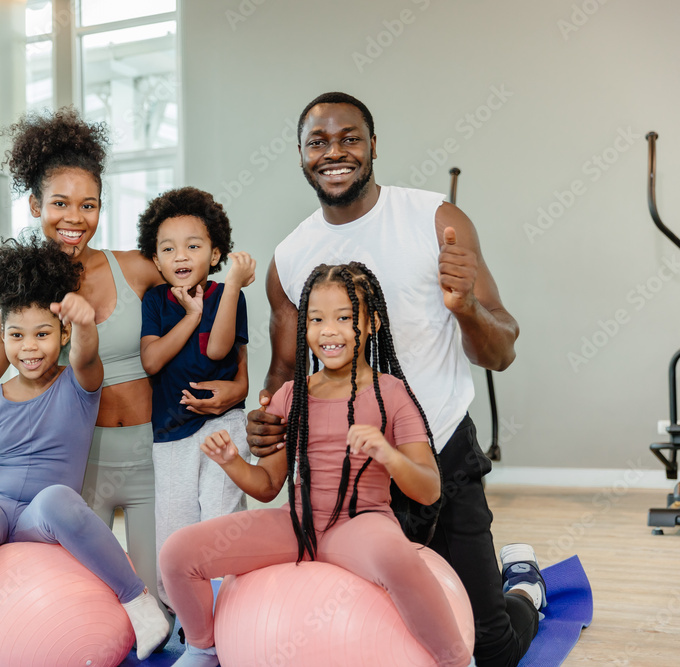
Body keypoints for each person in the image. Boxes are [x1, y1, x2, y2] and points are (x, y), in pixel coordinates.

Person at [0, 107, 247, 627]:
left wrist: (238, 385)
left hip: (151, 451)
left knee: (163, 592)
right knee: (87, 606)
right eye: (60, 203)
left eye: (88, 205)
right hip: (80, 466)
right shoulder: (26, 294)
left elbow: (212, 305)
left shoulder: (135, 266)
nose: (75, 217)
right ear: (34, 205)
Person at [247, 92, 544, 667]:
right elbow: (285, 370)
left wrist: (465, 309)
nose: (334, 152)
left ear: (373, 145)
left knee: (490, 651)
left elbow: (501, 351)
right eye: (318, 141)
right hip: (347, 480)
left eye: (349, 137)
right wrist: (266, 419)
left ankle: (524, 587)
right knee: (369, 633)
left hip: (439, 458)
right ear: (302, 155)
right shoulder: (291, 256)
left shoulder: (437, 220)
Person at [161, 263, 472, 667]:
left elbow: (429, 489)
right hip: (298, 525)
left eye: (344, 318)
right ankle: (203, 647)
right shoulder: (292, 394)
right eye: (316, 319)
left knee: (399, 559)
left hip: (360, 524)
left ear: (372, 322)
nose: (329, 330)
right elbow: (268, 484)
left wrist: (388, 453)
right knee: (178, 554)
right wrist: (233, 463)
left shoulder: (392, 394)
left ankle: (459, 662)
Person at [0, 237, 169, 667]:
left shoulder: (79, 386)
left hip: (42, 517)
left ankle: (140, 604)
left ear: (61, 334)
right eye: (16, 335)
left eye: (43, 334)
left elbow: (86, 357)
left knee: (58, 499)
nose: (29, 347)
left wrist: (84, 324)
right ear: (2, 336)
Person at [136, 187, 255, 606]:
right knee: (175, 525)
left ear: (216, 253)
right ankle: (186, 614)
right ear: (156, 260)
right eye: (168, 248)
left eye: (193, 245)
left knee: (220, 517)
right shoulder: (155, 301)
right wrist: (191, 315)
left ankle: (226, 607)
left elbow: (219, 350)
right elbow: (152, 360)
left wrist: (234, 285)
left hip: (222, 423)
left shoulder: (228, 295)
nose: (181, 256)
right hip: (169, 433)